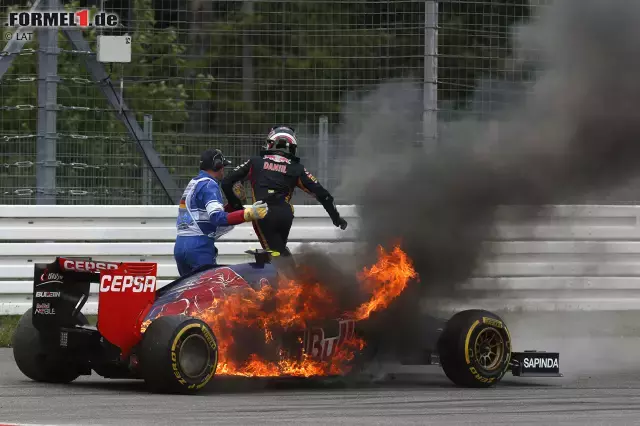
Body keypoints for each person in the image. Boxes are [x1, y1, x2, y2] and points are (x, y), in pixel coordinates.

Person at [220, 125, 347, 257]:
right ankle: (299, 275)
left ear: (270, 142)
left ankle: (296, 276)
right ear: (292, 146)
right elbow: (324, 195)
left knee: (277, 257)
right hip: (285, 214)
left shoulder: (255, 162)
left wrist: (236, 206)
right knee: (279, 252)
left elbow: (227, 181)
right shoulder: (297, 168)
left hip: (263, 213)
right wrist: (336, 218)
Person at [174, 148, 269, 277]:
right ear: (216, 166)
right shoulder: (210, 185)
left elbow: (205, 216)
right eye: (222, 166)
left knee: (189, 293)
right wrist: (248, 214)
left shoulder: (194, 183)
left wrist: (233, 205)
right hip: (199, 247)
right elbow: (217, 218)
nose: (223, 170)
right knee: (207, 293)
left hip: (180, 246)